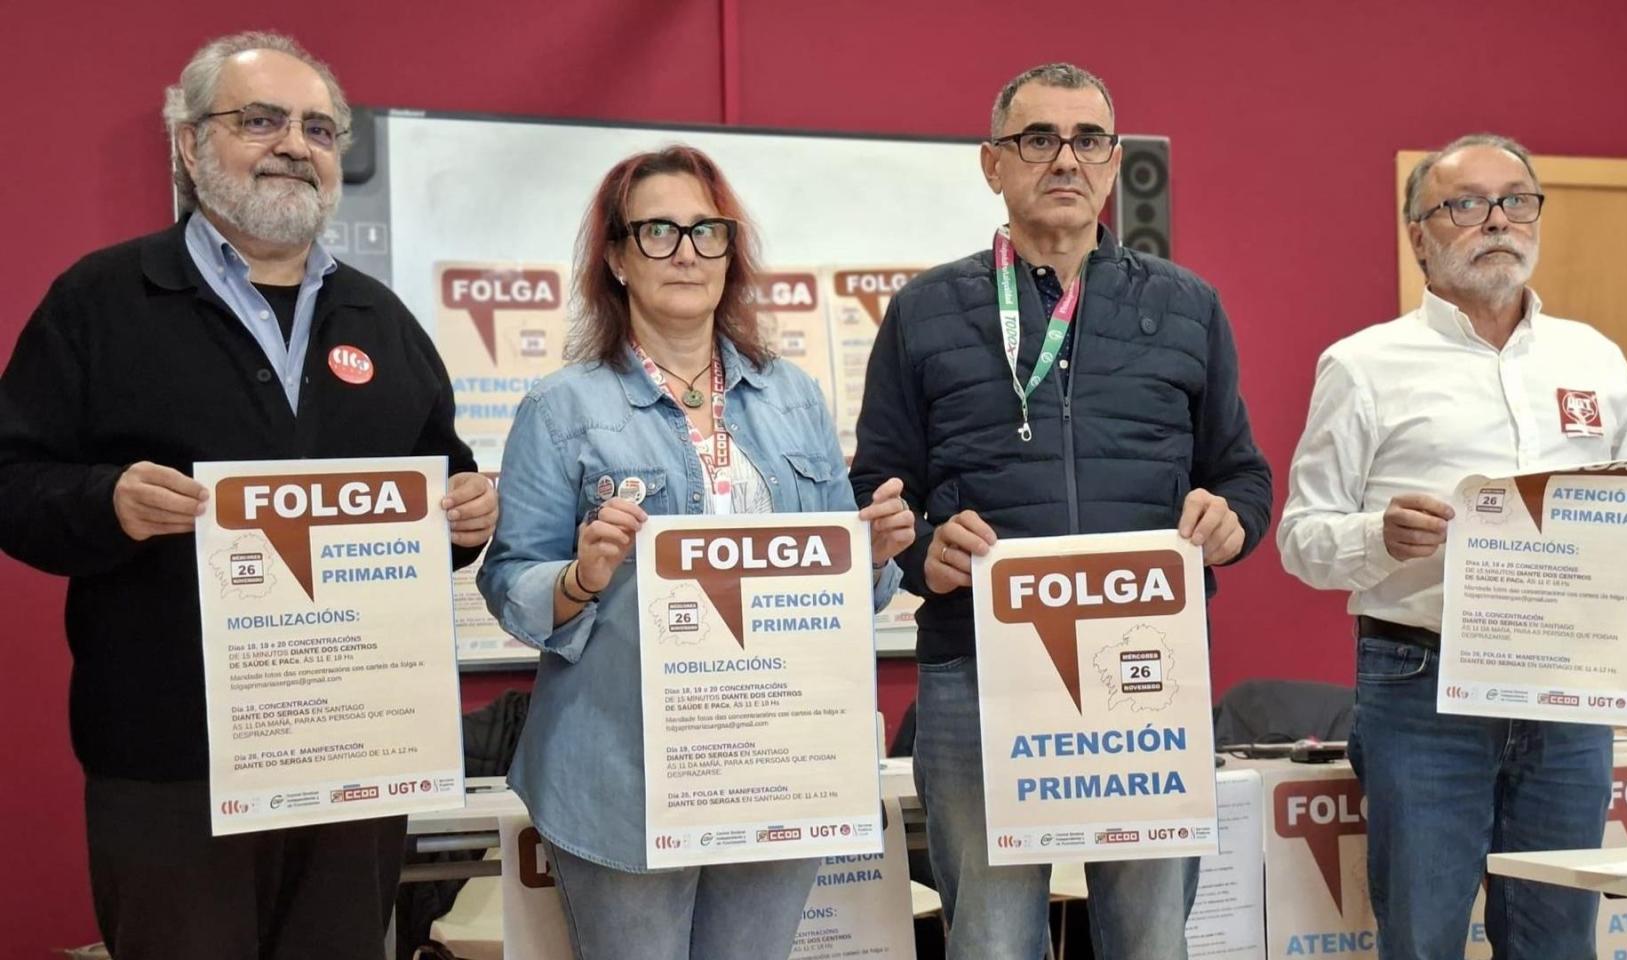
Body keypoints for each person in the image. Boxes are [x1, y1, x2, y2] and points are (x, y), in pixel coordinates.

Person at [0, 31, 496, 960]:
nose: (293, 144)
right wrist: (106, 501)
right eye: (258, 119)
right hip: (173, 764)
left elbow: (440, 496)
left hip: (356, 758)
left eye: (318, 128)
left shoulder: (382, 321)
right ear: (190, 145)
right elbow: (12, 484)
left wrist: (468, 516)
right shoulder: (102, 301)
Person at [849, 62, 1272, 959]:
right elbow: (875, 488)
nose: (1065, 159)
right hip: (978, 671)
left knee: (1152, 938)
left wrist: (1231, 523)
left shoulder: (1188, 307)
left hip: (1149, 674)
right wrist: (921, 548)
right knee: (993, 941)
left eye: (1087, 141)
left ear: (1115, 164)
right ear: (992, 164)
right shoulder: (925, 311)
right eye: (1038, 139)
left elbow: (1241, 476)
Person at [477, 144, 916, 960]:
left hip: (778, 761)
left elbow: (839, 586)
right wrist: (581, 577)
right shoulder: (561, 406)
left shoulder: (793, 396)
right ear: (615, 255)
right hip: (622, 778)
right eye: (658, 231)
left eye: (706, 231)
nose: (685, 251)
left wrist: (876, 554)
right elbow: (509, 583)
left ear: (730, 249)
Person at [1277, 132, 1627, 959]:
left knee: (1556, 936)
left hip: (1569, 692)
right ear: (1420, 235)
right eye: (1465, 205)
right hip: (1423, 687)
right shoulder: (1364, 366)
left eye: (1516, 200)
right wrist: (1381, 536)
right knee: (1423, 937)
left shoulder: (1597, 359)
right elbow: (1301, 538)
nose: (1498, 221)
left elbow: (1619, 550)